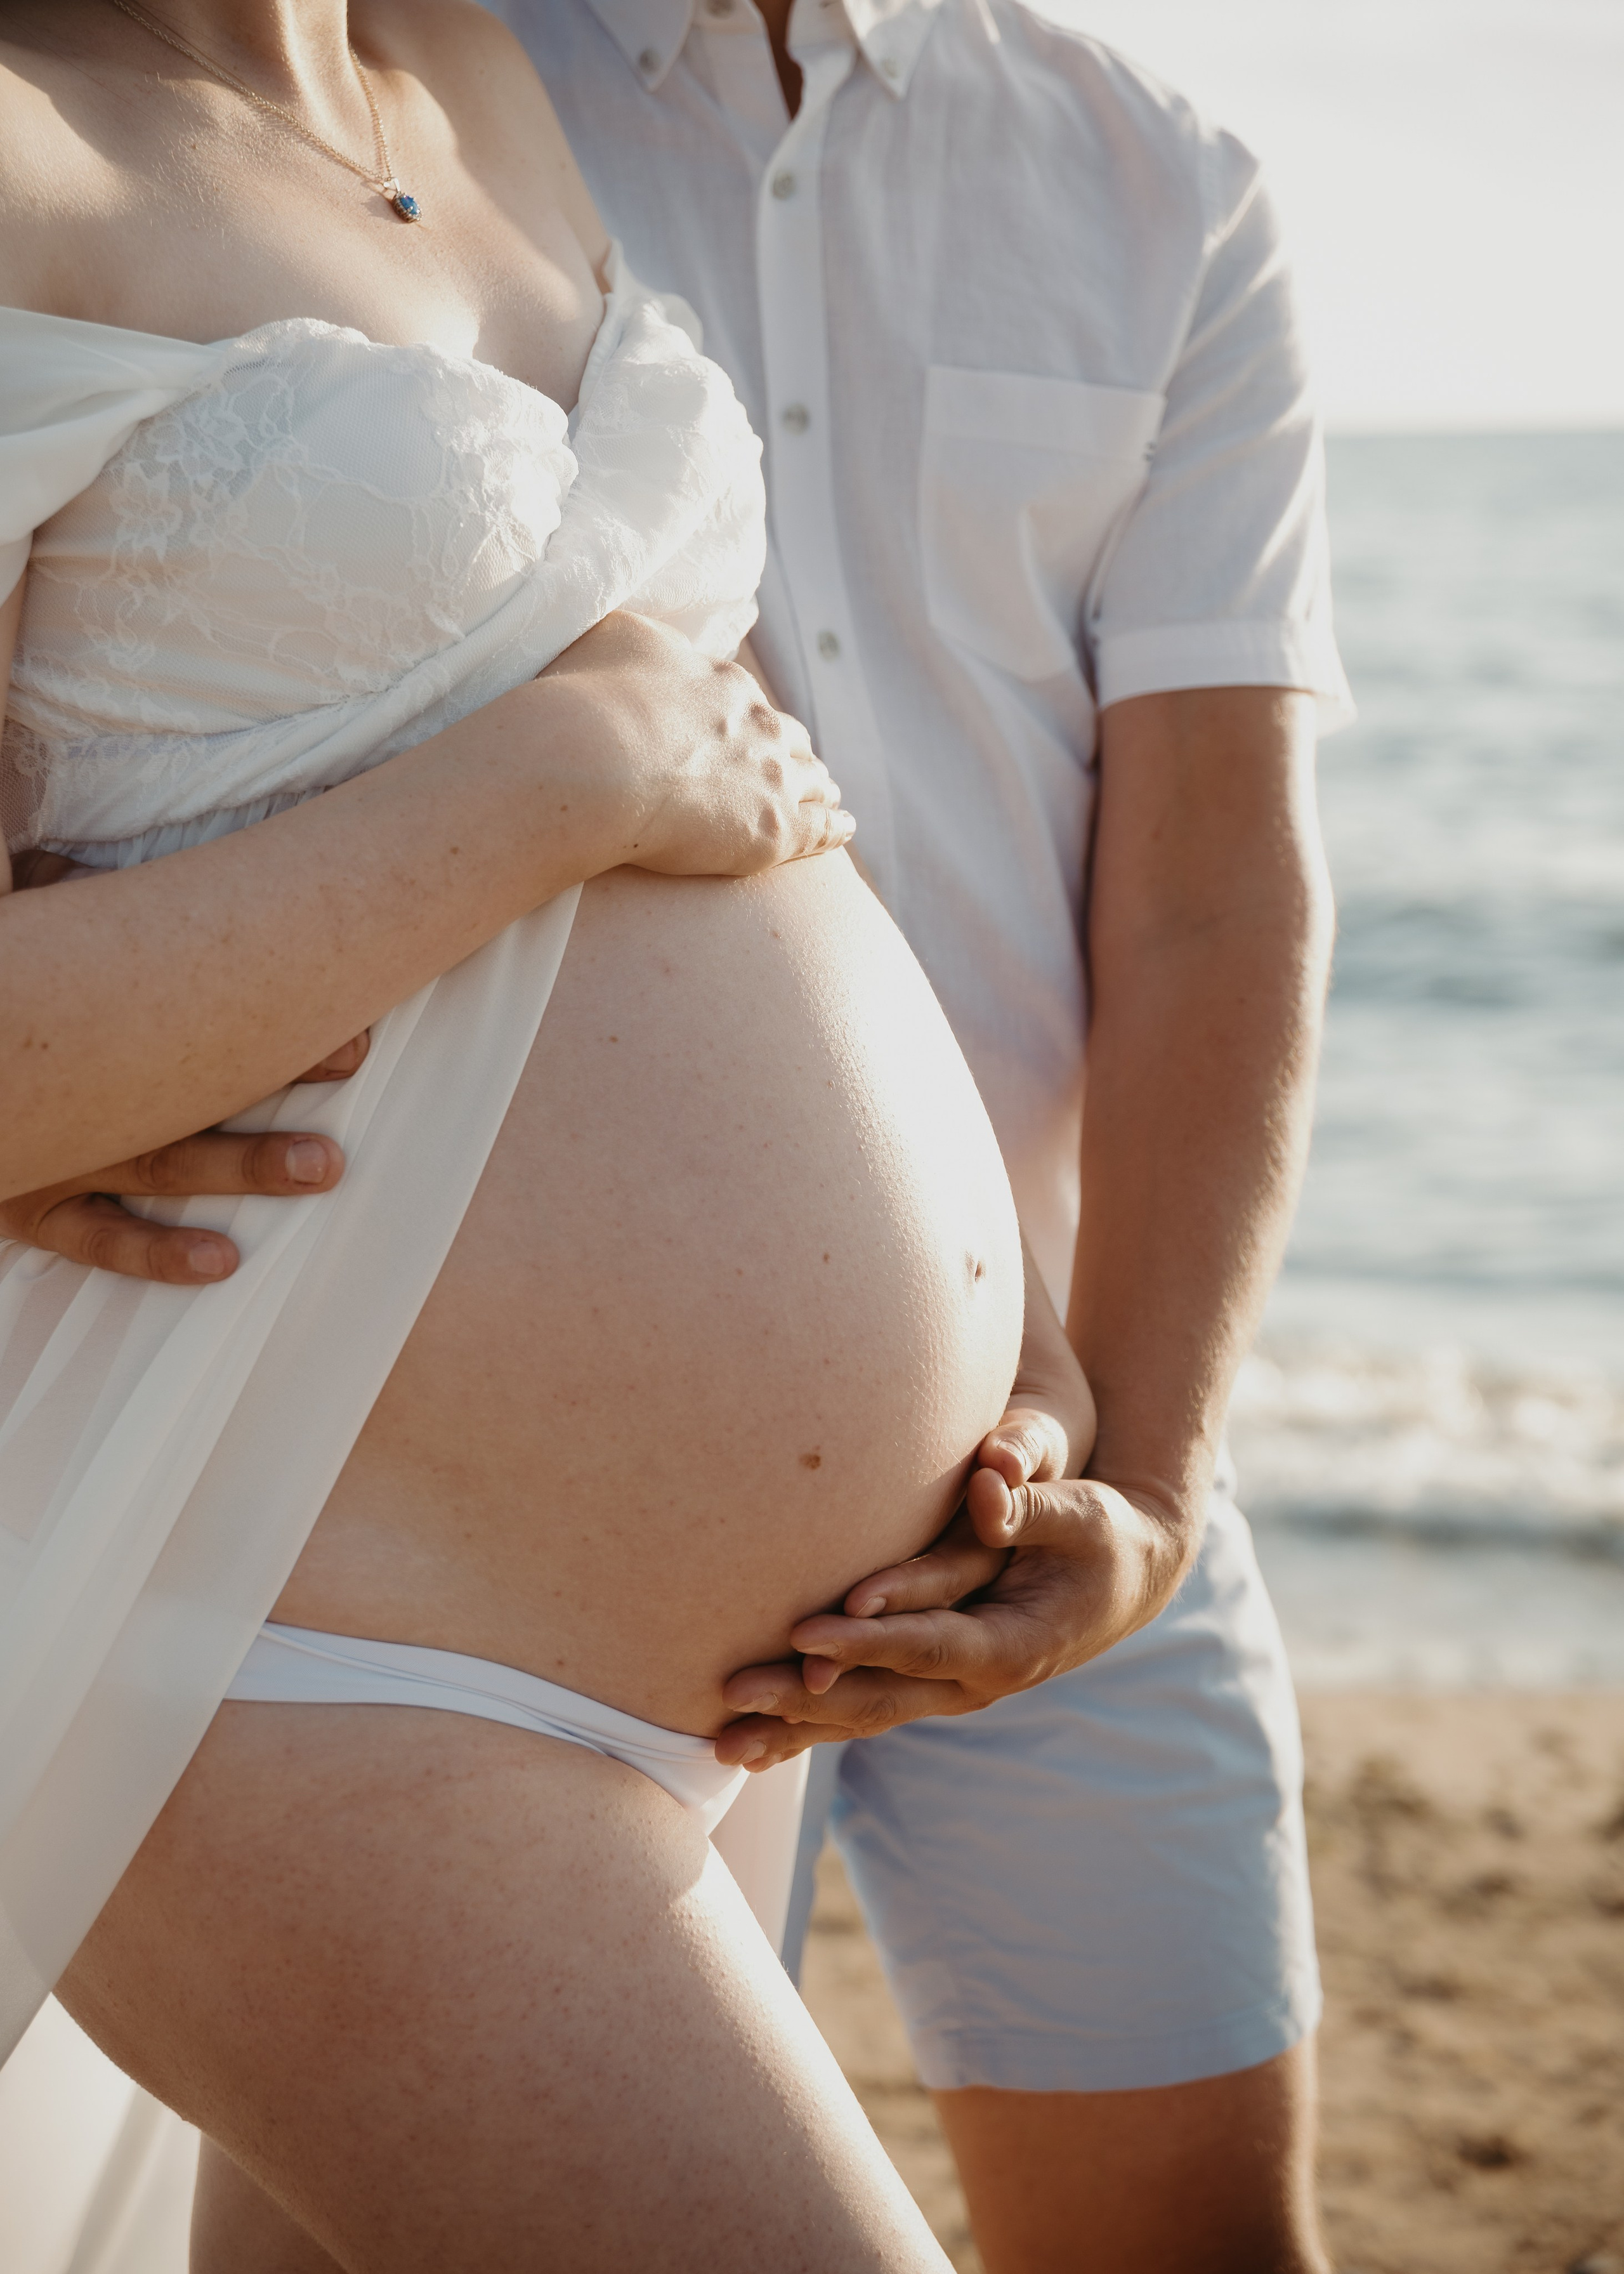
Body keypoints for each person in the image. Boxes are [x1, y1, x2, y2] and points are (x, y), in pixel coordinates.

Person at [1, 2, 1347, 2270]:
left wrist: (1038, 1350)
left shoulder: (477, 88)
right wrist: (567, 784)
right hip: (302, 1630)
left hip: (716, 1676)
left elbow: (1198, 870)